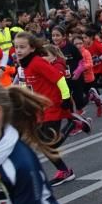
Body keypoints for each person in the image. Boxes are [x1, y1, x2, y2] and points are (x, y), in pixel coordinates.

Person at [12, 33, 76, 185]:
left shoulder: (37, 62)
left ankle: (74, 125)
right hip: (39, 107)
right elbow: (30, 86)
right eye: (16, 47)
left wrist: (66, 98)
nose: (18, 50)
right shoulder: (24, 64)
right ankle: (64, 171)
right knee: (44, 143)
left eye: (22, 47)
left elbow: (59, 79)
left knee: (47, 143)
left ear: (32, 48)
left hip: (52, 105)